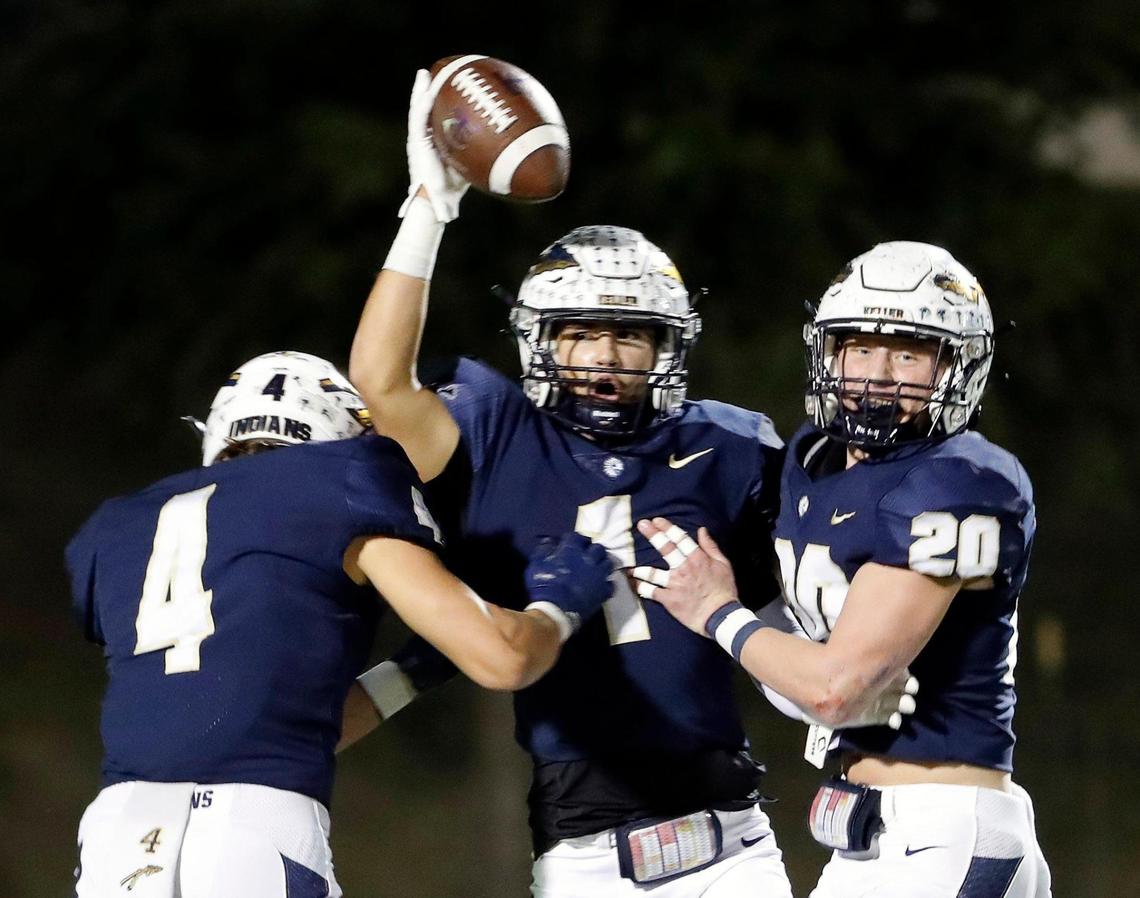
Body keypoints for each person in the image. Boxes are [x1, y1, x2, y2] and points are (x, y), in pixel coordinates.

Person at [346, 69, 913, 897]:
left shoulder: (725, 445)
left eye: (631, 338)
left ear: (669, 347)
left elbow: (812, 597)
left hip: (735, 838)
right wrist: (428, 209)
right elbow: (379, 383)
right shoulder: (498, 432)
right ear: (539, 341)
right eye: (580, 335)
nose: (606, 359)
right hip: (585, 850)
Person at [67, 350, 614, 898]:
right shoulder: (343, 476)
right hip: (252, 830)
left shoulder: (117, 524)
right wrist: (559, 606)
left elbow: (274, 723)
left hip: (117, 839)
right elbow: (504, 657)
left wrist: (412, 670)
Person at [634, 242, 1052, 897]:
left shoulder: (961, 481)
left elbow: (834, 689)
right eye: (860, 347)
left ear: (957, 366)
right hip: (871, 839)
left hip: (941, 827)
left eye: (909, 352)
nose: (878, 374)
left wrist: (717, 612)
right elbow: (807, 683)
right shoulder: (811, 459)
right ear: (827, 352)